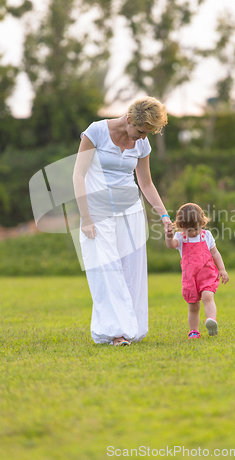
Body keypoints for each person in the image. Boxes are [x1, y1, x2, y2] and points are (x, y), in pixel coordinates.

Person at [73, 97, 171, 346]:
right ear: (129, 119)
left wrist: (164, 215)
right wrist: (85, 217)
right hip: (98, 211)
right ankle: (117, 332)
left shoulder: (142, 144)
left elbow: (146, 183)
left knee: (130, 272)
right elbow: (78, 175)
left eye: (147, 133)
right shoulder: (96, 132)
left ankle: (130, 329)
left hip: (131, 214)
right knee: (106, 271)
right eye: (140, 131)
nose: (141, 137)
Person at [165, 203, 229, 339]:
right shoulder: (180, 238)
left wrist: (222, 269)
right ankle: (193, 331)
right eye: (189, 230)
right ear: (181, 227)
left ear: (202, 223)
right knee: (193, 306)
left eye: (195, 229)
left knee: (207, 297)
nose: (193, 232)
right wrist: (169, 236)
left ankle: (211, 321)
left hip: (207, 275)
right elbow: (171, 245)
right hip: (190, 278)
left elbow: (215, 253)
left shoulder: (206, 236)